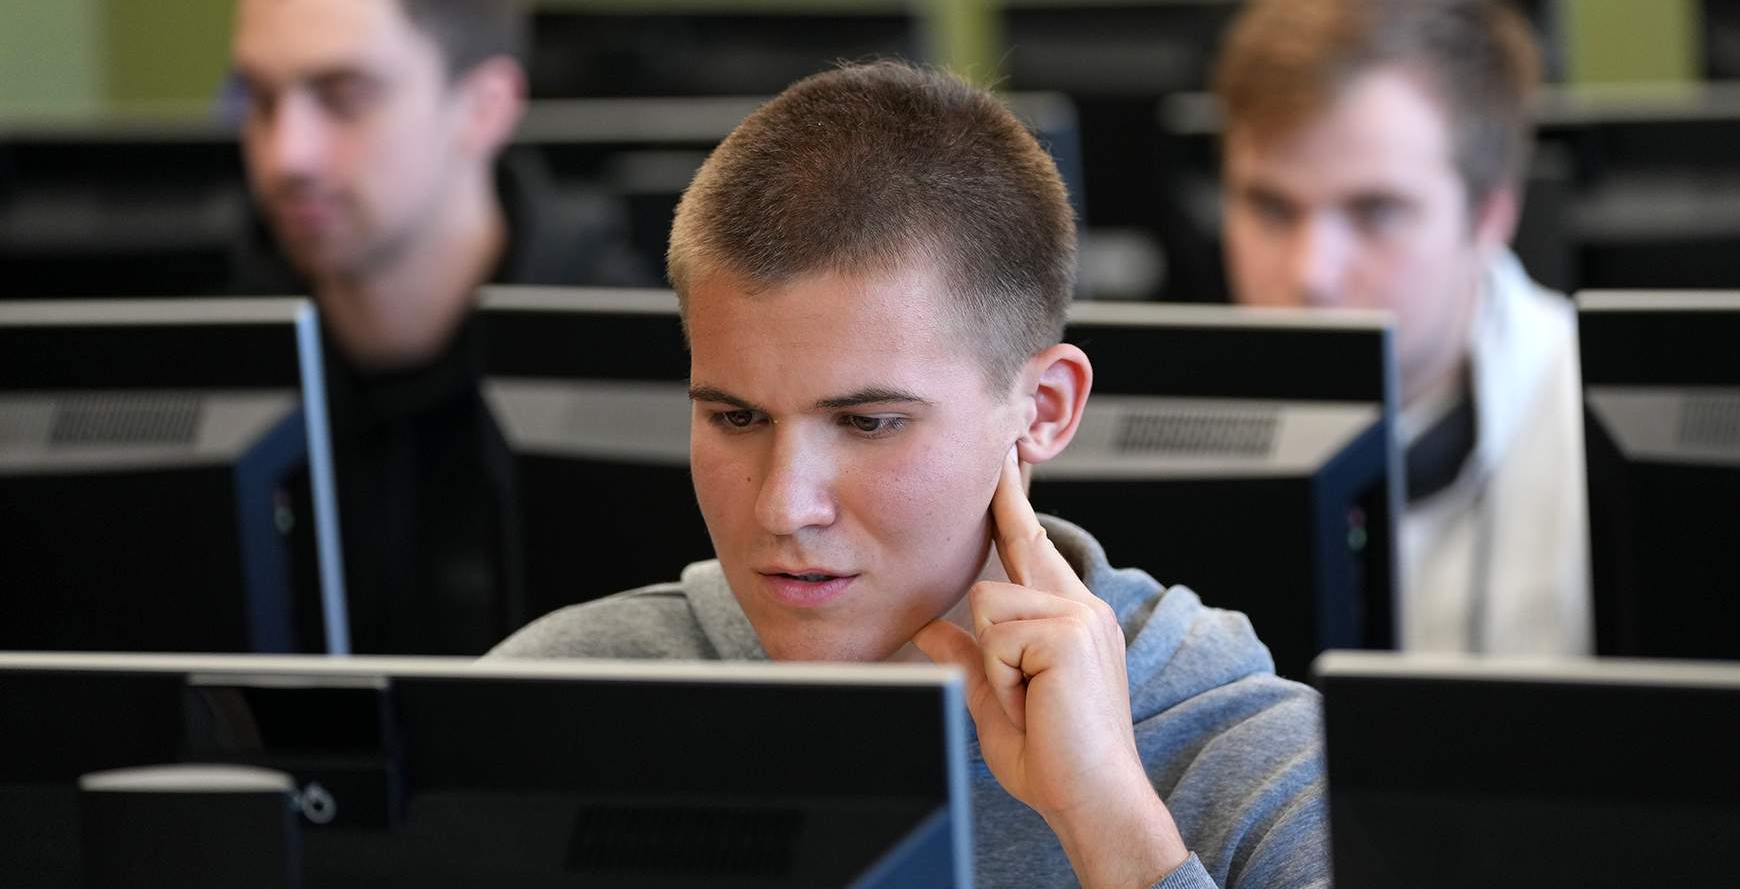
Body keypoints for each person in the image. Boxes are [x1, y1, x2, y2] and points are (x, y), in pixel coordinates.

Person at [490, 62, 1329, 889]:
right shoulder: (544, 711)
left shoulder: (1264, 773)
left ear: (1043, 409)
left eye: (868, 423)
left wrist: (1111, 825)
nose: (784, 507)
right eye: (737, 419)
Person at [228, 0, 644, 653]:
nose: (287, 156)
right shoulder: (218, 353)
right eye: (260, 98)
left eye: (343, 96)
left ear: (484, 108)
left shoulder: (645, 366)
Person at [1212, 0, 1588, 655]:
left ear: (1491, 214)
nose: (1312, 273)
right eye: (1270, 207)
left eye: (1375, 212)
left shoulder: (1586, 424)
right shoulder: (1129, 426)